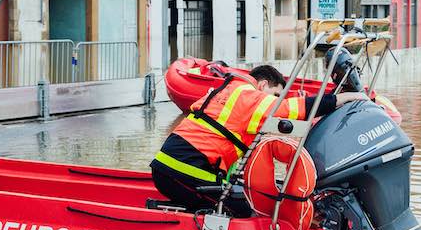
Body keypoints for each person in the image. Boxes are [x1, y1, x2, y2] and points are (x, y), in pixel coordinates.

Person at [151, 64, 366, 216]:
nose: (274, 101)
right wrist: (341, 99)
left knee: (239, 195)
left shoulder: (233, 92)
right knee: (243, 209)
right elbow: (289, 109)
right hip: (184, 169)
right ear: (262, 85)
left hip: (174, 165)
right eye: (274, 95)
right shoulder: (250, 97)